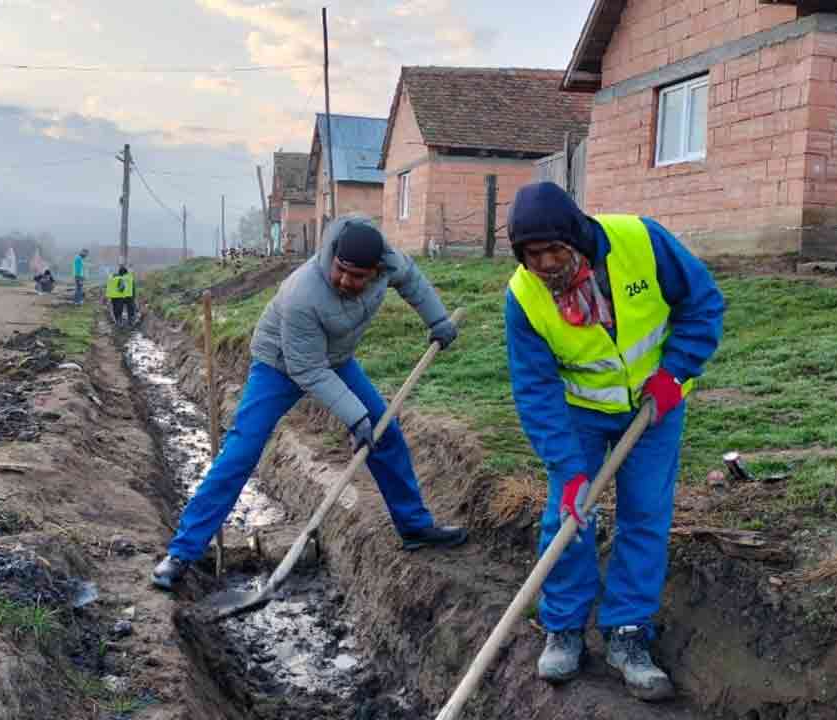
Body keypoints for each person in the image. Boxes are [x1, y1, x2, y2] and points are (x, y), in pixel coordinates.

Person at [152, 215, 468, 589]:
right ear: (333, 257)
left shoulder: (390, 264)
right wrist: (356, 418)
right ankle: (182, 553)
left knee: (386, 432)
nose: (345, 281)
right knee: (241, 451)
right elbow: (307, 369)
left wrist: (438, 321)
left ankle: (413, 525)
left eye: (357, 276)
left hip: (336, 359)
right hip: (280, 365)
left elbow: (412, 281)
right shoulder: (302, 293)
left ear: (377, 271)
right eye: (341, 270)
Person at [503, 182, 725, 701]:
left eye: (553, 250)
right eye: (532, 255)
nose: (545, 264)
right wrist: (567, 468)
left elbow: (703, 303)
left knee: (645, 515)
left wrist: (675, 372)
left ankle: (628, 633)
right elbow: (534, 387)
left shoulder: (641, 241)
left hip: (655, 404)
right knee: (569, 515)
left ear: (576, 237)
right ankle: (564, 628)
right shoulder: (524, 296)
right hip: (579, 414)